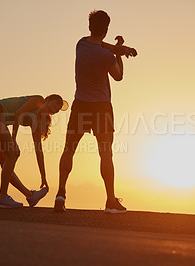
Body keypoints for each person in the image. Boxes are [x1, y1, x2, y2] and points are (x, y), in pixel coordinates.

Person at [54, 10, 137, 213]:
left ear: (89, 26)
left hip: (80, 104)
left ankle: (60, 194)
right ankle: (110, 201)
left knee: (69, 149)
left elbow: (97, 44)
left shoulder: (80, 44)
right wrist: (119, 52)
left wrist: (119, 49)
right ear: (106, 29)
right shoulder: (107, 56)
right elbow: (118, 76)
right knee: (105, 154)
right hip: (101, 108)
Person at [0, 94, 68, 208]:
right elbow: (19, 113)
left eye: (59, 109)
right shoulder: (38, 100)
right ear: (48, 100)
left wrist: (43, 176)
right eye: (56, 103)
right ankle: (2, 197)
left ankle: (29, 195)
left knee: (6, 161)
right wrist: (13, 139)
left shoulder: (36, 121)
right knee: (13, 153)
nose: (56, 109)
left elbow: (39, 151)